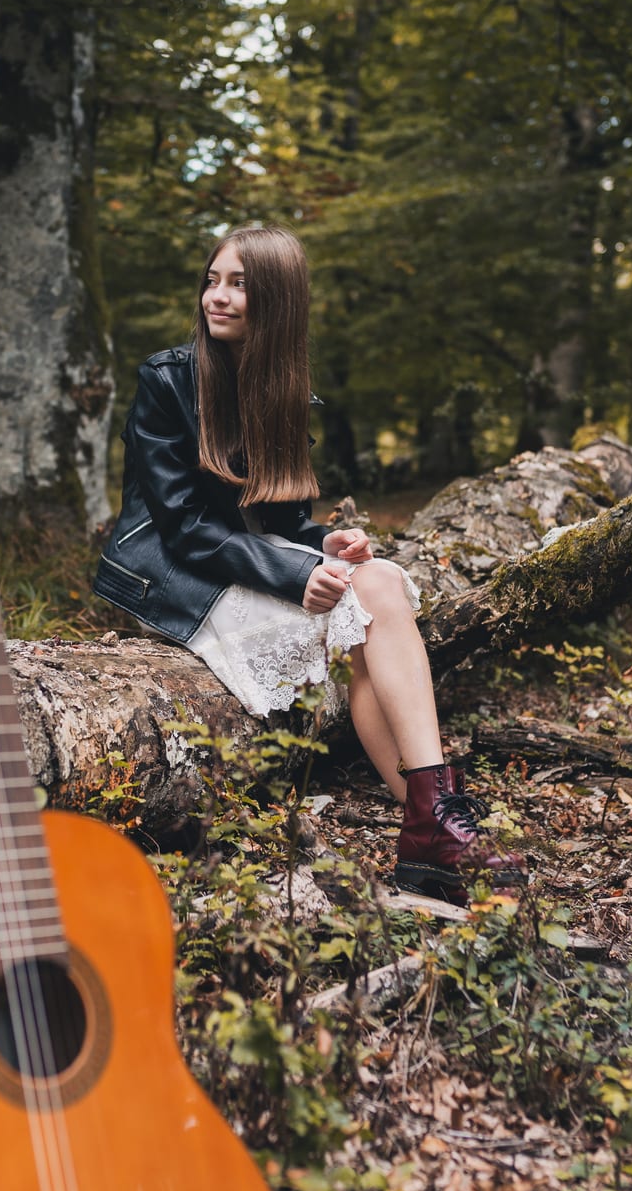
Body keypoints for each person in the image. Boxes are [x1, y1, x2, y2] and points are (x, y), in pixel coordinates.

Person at [94, 225, 521, 903]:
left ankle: (432, 825)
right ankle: (435, 826)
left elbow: (285, 519)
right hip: (170, 568)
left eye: (240, 284)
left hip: (237, 553)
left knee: (377, 580)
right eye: (213, 279)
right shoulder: (167, 378)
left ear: (278, 301)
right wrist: (297, 575)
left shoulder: (280, 386)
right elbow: (184, 526)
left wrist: (326, 545)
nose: (220, 296)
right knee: (359, 610)